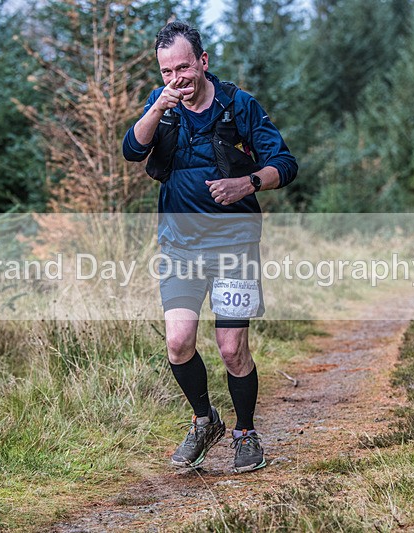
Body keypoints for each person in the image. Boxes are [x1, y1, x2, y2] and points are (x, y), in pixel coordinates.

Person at [122, 21, 298, 473]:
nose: (176, 77)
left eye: (183, 66)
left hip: (234, 243)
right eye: (166, 71)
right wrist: (157, 106)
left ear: (203, 62)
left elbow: (285, 163)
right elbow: (132, 150)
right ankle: (205, 420)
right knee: (178, 343)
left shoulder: (238, 105)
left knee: (231, 348)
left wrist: (248, 182)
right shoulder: (163, 107)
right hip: (179, 244)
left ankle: (245, 431)